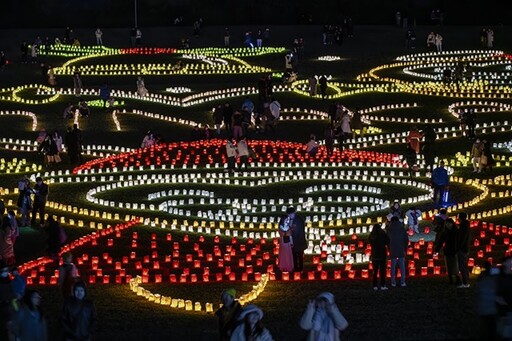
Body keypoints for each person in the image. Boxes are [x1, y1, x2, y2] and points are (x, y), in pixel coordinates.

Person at [434, 218, 461, 286]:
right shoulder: (444, 232)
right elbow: (440, 241)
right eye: (446, 224)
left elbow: (459, 241)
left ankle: (458, 278)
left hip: (454, 250)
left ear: (452, 224)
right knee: (448, 265)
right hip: (447, 250)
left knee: (455, 265)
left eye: (449, 223)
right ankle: (450, 279)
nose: (448, 225)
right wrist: (436, 250)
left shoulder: (456, 232)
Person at [387, 216, 408, 287]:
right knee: (402, 266)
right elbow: (406, 239)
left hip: (392, 248)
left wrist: (388, 248)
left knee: (393, 266)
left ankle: (393, 282)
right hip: (401, 248)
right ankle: (403, 281)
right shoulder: (402, 228)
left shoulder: (389, 229)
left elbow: (387, 240)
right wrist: (405, 249)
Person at [369, 224, 390, 290]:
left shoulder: (372, 235)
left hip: (374, 255)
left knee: (375, 271)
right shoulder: (383, 234)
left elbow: (370, 242)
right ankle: (383, 285)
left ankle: (375, 285)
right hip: (382, 254)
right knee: (382, 270)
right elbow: (388, 241)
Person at [287, 207, 307, 272]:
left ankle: (300, 269)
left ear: (294, 213)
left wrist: (291, 235)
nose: (290, 216)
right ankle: (295, 268)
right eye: (289, 214)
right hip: (293, 241)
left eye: (291, 214)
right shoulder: (290, 219)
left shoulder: (298, 220)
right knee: (294, 256)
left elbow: (298, 231)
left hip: (299, 240)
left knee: (300, 256)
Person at [456, 212, 471, 288]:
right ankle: (466, 282)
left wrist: (459, 247)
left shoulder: (463, 226)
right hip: (465, 248)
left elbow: (462, 238)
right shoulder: (466, 225)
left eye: (458, 216)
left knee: (462, 266)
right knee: (464, 265)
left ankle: (465, 283)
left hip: (462, 249)